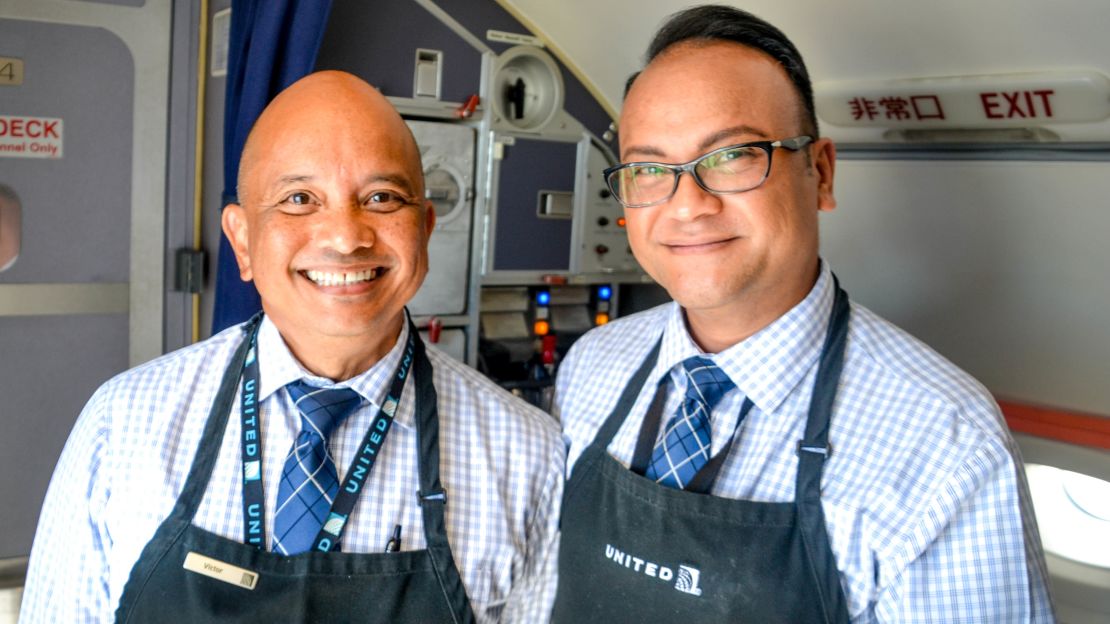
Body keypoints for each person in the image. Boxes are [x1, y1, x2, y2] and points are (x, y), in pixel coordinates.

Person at [551, 6, 1053, 622]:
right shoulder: (592, 365)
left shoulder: (945, 444)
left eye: (731, 156)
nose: (688, 206)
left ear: (819, 173)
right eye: (650, 169)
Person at [21, 71, 563, 623]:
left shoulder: (528, 456)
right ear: (242, 240)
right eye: (300, 198)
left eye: (381, 197)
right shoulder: (122, 423)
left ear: (423, 230)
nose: (345, 236)